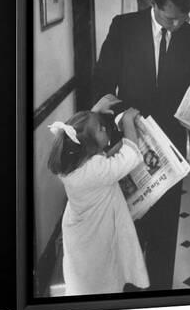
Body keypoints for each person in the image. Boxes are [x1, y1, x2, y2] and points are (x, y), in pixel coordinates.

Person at [93, 0, 190, 290]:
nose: (177, 25)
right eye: (171, 19)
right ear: (153, 3)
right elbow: (100, 84)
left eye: (183, 18)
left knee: (165, 232)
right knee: (129, 229)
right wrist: (123, 117)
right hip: (128, 144)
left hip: (170, 150)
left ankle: (160, 298)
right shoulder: (124, 27)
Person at [47, 107, 149, 296]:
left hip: (80, 232)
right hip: (97, 233)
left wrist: (93, 114)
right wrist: (127, 122)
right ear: (88, 145)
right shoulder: (96, 169)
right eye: (101, 128)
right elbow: (131, 156)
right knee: (104, 275)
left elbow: (96, 151)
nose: (105, 129)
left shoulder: (71, 165)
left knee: (84, 277)